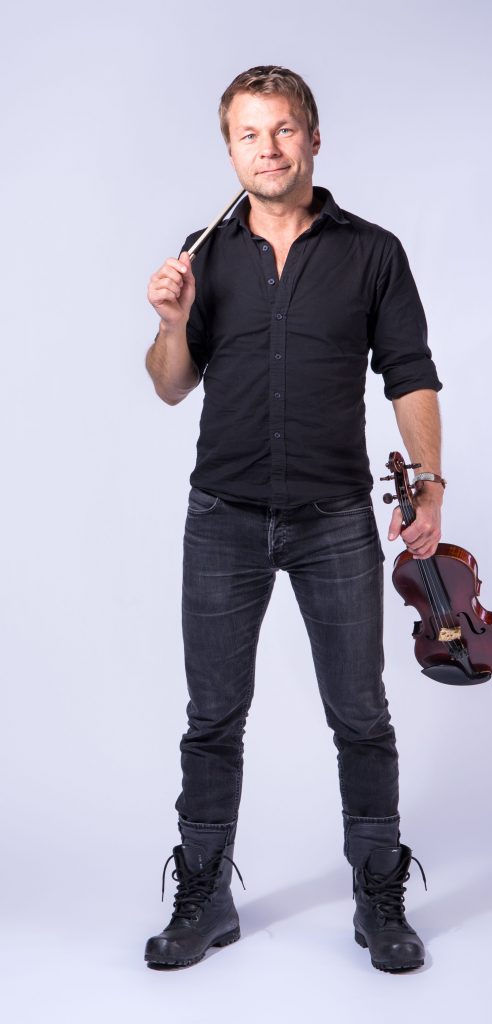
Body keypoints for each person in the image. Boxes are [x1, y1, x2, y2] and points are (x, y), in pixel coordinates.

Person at [143, 65, 444, 974]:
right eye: (249, 133)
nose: (267, 148)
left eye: (282, 129)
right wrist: (170, 322)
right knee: (212, 719)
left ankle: (378, 894)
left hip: (334, 518)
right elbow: (170, 386)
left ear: (313, 137)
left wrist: (429, 483)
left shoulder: (372, 252)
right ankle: (205, 896)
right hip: (222, 517)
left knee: (361, 715)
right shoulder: (203, 254)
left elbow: (410, 372)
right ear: (230, 148)